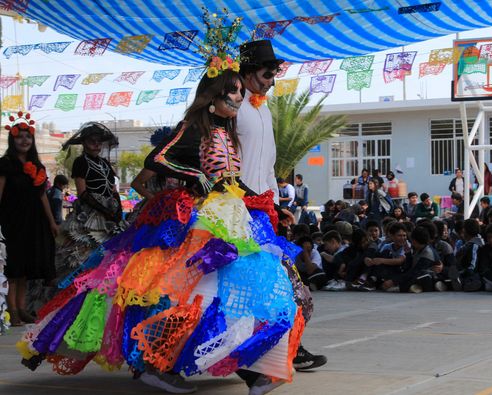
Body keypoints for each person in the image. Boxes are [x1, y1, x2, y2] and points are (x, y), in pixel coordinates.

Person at [19, 41, 304, 395]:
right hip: (199, 219)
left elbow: (230, 179)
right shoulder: (197, 126)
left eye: (239, 93)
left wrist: (263, 201)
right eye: (232, 93)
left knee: (245, 286)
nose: (237, 99)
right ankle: (157, 363)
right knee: (190, 291)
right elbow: (158, 159)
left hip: (232, 215)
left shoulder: (226, 131)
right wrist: (193, 175)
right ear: (214, 94)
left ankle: (257, 367)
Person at [238, 38, 326, 374]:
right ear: (247, 72)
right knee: (253, 289)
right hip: (238, 213)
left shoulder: (262, 110)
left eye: (275, 72)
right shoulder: (234, 109)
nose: (271, 79)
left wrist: (276, 204)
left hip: (265, 212)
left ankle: (288, 348)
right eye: (266, 72)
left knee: (286, 286)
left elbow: (268, 166)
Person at [0, 112, 58, 326]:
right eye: (19, 137)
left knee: (25, 268)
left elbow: (42, 196)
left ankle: (22, 308)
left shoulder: (38, 167)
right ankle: (12, 311)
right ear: (12, 140)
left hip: (33, 222)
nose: (24, 141)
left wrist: (52, 221)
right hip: (11, 221)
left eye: (28, 137)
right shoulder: (5, 164)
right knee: (12, 268)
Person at [57, 122, 125, 282]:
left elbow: (113, 188)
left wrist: (118, 210)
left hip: (110, 214)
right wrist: (105, 211)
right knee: (84, 254)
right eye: (92, 141)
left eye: (99, 141)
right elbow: (83, 193)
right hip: (90, 214)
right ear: (84, 143)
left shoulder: (105, 163)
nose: (96, 144)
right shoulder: (81, 162)